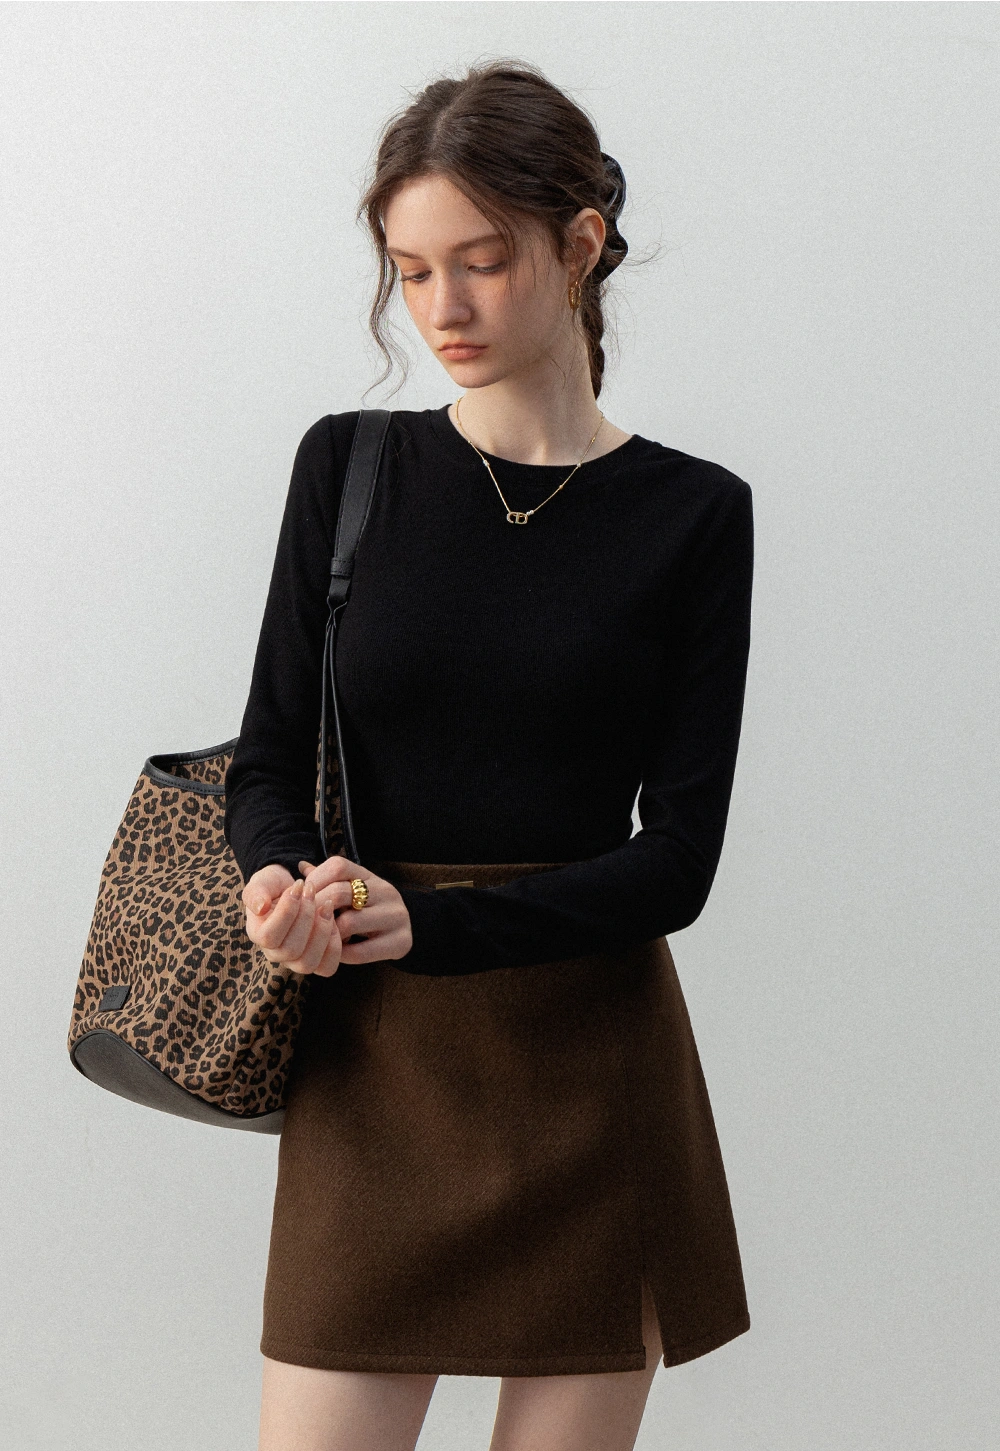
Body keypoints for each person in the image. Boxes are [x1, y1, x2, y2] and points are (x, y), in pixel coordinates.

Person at [224, 58, 754, 1451]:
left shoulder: (694, 515)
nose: (441, 309)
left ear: (579, 245)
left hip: (592, 1075)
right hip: (375, 1071)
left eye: (482, 261)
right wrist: (277, 882)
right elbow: (268, 758)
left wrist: (439, 925)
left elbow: (677, 861)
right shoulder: (348, 467)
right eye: (411, 272)